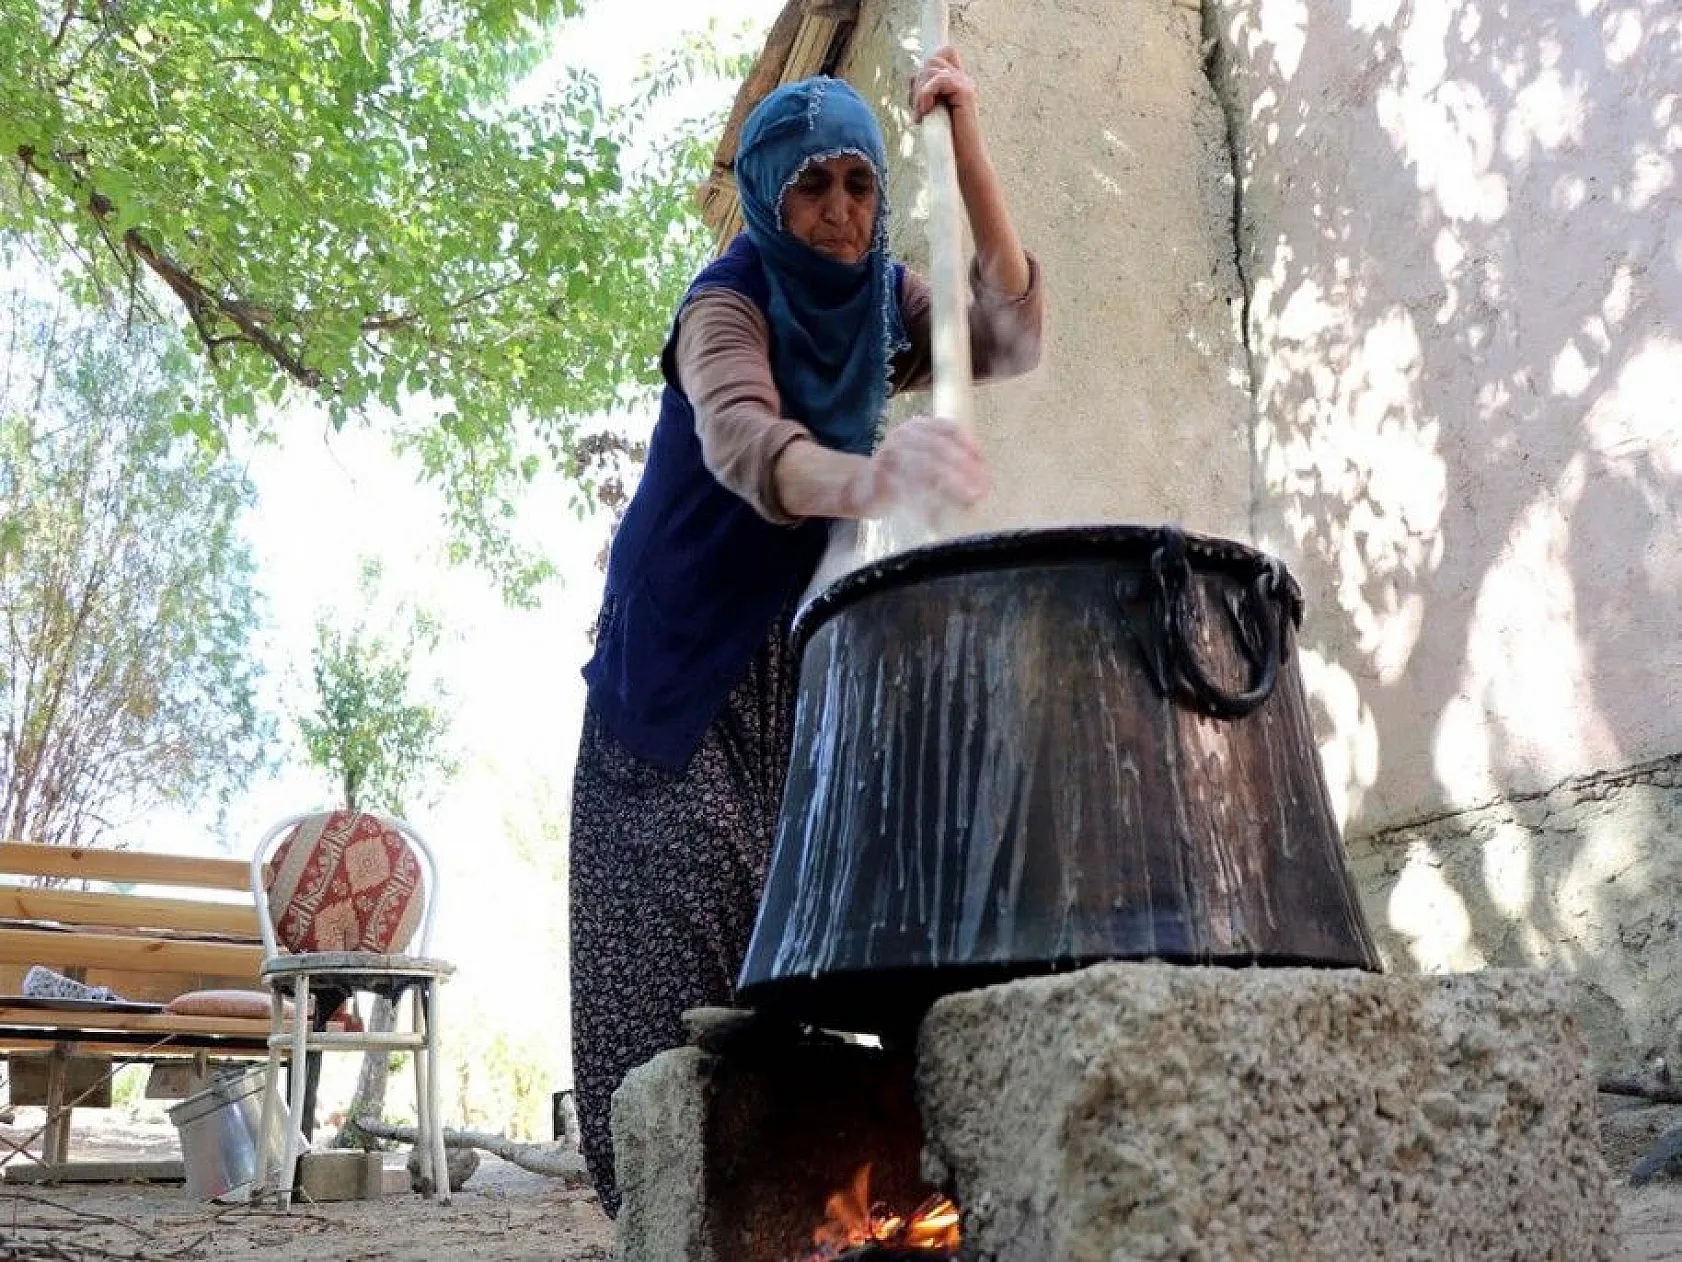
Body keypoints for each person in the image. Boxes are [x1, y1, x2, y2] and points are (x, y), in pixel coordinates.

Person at [568, 46, 1043, 1216]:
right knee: (672, 925)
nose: (838, 212)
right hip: (680, 659)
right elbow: (744, 443)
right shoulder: (725, 303)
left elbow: (1011, 333)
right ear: (770, 199)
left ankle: (792, 1201)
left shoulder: (886, 294)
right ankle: (662, 1201)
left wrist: (966, 141)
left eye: (858, 184)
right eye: (811, 188)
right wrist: (878, 476)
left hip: (800, 654)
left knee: (791, 929)